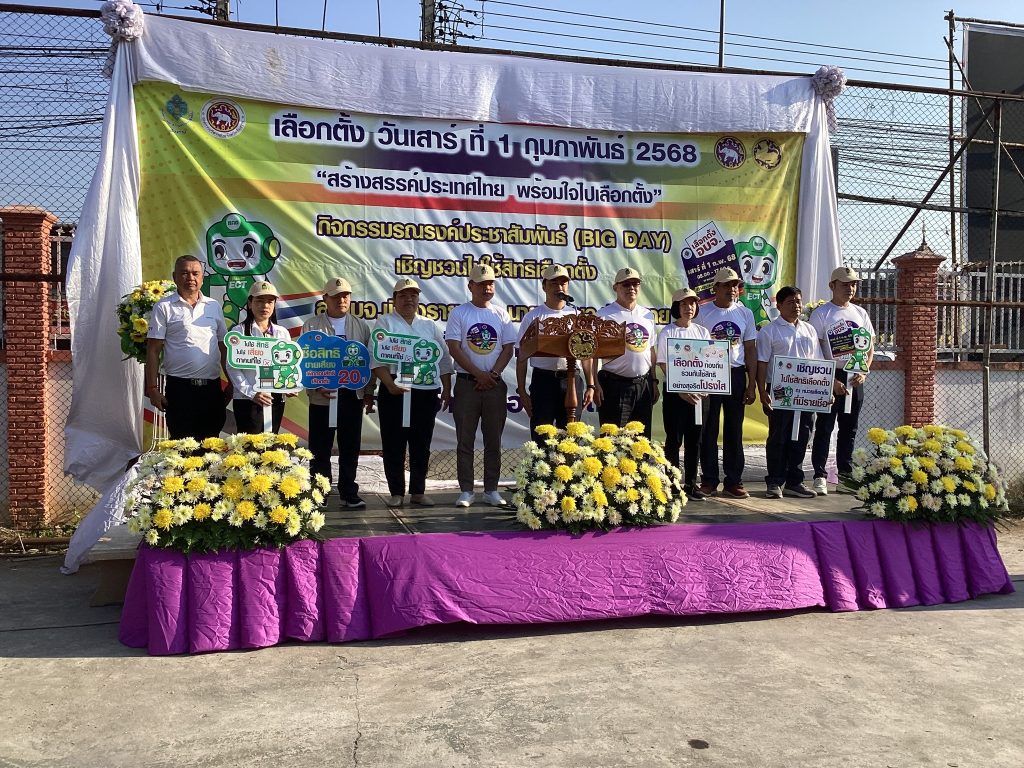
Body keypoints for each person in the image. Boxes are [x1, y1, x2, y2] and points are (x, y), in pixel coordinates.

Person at [371, 277, 453, 508]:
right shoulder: (385, 323)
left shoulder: (429, 325)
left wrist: (447, 388)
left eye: (413, 295)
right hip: (393, 389)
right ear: (394, 299)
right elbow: (375, 358)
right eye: (403, 295)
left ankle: (418, 491)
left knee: (421, 443)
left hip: (424, 391)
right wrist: (389, 385)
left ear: (418, 299)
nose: (409, 300)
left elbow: (443, 359)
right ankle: (396, 492)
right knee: (393, 442)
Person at [445, 264, 516, 508]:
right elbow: (454, 348)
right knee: (465, 439)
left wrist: (492, 374)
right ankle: (466, 490)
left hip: (494, 385)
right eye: (482, 284)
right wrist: (479, 375)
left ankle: (491, 489)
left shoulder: (501, 314)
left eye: (490, 283)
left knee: (493, 440)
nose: (487, 288)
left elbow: (508, 348)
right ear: (470, 286)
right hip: (467, 385)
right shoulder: (459, 313)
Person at [303, 276, 373, 508]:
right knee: (319, 448)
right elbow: (305, 361)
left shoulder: (361, 326)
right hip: (322, 396)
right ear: (325, 298)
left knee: (350, 447)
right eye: (335, 296)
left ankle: (348, 492)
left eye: (345, 295)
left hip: (351, 396)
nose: (341, 300)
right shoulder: (311, 325)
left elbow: (368, 363)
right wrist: (315, 385)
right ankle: (319, 493)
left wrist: (369, 392)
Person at [145, 255, 231, 440]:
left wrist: (232, 383)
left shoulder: (213, 306)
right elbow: (153, 350)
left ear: (202, 278)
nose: (190, 278)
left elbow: (223, 347)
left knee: (211, 446)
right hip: (179, 389)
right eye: (184, 273)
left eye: (195, 273)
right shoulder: (163, 307)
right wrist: (152, 388)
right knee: (181, 446)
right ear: (174, 277)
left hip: (211, 389)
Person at [809, 266, 875, 495]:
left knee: (850, 428)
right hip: (831, 375)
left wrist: (864, 370)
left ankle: (845, 475)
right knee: (825, 427)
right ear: (832, 286)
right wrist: (828, 379)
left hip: (855, 377)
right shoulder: (821, 314)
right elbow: (815, 350)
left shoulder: (860, 313)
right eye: (845, 284)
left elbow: (870, 346)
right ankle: (819, 475)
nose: (850, 289)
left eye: (853, 284)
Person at [694, 267, 758, 498]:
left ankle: (733, 481)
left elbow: (750, 349)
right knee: (708, 429)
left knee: (734, 429)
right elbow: (695, 348)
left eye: (735, 285)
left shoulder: (745, 313)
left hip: (736, 374)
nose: (732, 289)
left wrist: (751, 384)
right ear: (716, 288)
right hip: (710, 375)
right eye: (727, 285)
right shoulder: (702, 313)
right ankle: (709, 480)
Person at [756, 285, 822, 499]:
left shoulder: (809, 330)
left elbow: (818, 362)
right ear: (779, 305)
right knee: (779, 435)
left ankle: (795, 481)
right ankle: (775, 481)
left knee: (803, 434)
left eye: (798, 301)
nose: (796, 306)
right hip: (780, 390)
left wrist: (824, 390)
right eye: (791, 302)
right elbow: (762, 363)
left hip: (806, 391)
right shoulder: (769, 331)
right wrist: (762, 391)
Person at [516, 264, 595, 441]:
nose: (559, 287)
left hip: (572, 380)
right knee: (542, 435)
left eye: (563, 283)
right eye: (554, 283)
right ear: (544, 286)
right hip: (544, 381)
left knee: (570, 436)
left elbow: (586, 354)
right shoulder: (533, 317)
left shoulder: (577, 315)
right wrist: (521, 390)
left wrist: (591, 385)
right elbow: (521, 357)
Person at [655, 288, 711, 500]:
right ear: (676, 307)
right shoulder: (667, 332)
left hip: (700, 395)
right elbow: (663, 363)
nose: (689, 307)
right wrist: (680, 388)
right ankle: (672, 483)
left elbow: (710, 364)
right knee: (674, 439)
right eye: (684, 304)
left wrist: (705, 386)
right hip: (675, 395)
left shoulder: (702, 332)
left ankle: (691, 484)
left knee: (695, 440)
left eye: (692, 303)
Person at [594, 267, 658, 435]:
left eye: (635, 284)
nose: (631, 288)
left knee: (641, 441)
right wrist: (594, 384)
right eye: (626, 284)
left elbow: (651, 350)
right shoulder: (603, 315)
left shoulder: (647, 315)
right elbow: (593, 354)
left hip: (643, 386)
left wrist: (653, 381)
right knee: (613, 440)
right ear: (616, 287)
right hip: (614, 386)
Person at [227, 281, 291, 434]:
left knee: (271, 444)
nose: (265, 306)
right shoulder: (239, 332)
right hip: (247, 400)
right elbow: (232, 367)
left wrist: (289, 385)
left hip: (275, 398)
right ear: (250, 303)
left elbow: (288, 366)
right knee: (249, 445)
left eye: (270, 302)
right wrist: (251, 393)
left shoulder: (282, 333)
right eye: (260, 301)